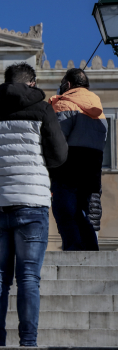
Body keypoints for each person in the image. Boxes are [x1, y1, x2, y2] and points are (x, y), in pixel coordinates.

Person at [0, 62, 68, 347]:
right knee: (29, 278)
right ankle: (28, 343)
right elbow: (58, 156)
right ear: (31, 83)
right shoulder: (43, 109)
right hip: (32, 203)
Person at [48, 68, 107, 251]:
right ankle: (91, 251)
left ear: (67, 84)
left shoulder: (64, 104)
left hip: (68, 170)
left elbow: (55, 141)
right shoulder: (98, 110)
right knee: (84, 215)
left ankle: (73, 252)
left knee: (65, 212)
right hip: (92, 172)